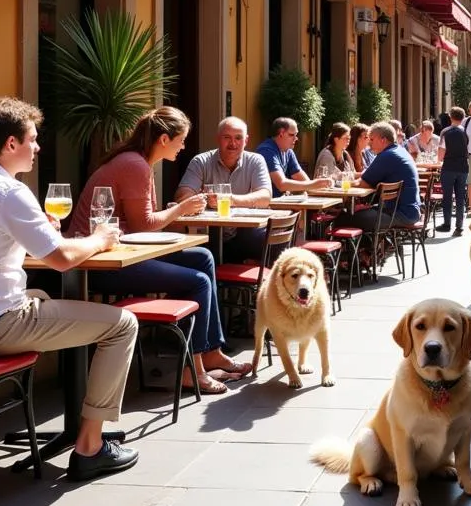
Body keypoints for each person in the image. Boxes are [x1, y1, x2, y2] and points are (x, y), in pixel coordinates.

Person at [0, 97, 140, 482]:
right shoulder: (7, 191)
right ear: (11, 144)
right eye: (33, 140)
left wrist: (37, 234)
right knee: (122, 323)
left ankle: (81, 428)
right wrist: (101, 238)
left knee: (42, 300)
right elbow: (61, 259)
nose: (38, 147)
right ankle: (90, 447)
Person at [71, 107, 252, 396]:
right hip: (101, 264)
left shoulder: (139, 162)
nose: (183, 147)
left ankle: (210, 351)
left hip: (122, 251)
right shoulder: (135, 165)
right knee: (198, 280)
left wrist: (173, 212)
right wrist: (181, 209)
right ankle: (193, 370)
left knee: (203, 257)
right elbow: (144, 224)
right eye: (181, 140)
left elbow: (140, 223)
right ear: (164, 139)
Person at [174, 116, 272, 262]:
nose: (233, 143)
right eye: (227, 137)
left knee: (274, 245)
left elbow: (265, 197)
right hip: (207, 236)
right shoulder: (201, 161)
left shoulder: (256, 161)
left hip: (243, 236)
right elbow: (181, 197)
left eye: (238, 138)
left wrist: (230, 199)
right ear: (218, 139)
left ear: (246, 140)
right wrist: (204, 200)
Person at [340, 122, 421, 232]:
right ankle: (372, 247)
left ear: (383, 140)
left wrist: (340, 184)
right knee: (358, 214)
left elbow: (363, 183)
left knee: (343, 218)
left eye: (372, 140)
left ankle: (358, 249)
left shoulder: (387, 155)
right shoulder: (399, 151)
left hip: (399, 214)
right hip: (411, 211)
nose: (369, 144)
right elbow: (367, 176)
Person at [256, 118, 333, 197]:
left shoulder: (288, 151)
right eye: (292, 135)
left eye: (296, 135)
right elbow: (281, 185)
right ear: (281, 134)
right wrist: (314, 184)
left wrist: (319, 185)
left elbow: (302, 178)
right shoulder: (266, 150)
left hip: (281, 203)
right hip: (267, 206)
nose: (296, 138)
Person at [435, 106, 469, 236]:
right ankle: (459, 226)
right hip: (463, 167)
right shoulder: (466, 131)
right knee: (460, 197)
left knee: (447, 197)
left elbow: (440, 154)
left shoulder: (445, 132)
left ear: (450, 117)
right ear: (463, 117)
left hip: (449, 167)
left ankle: (447, 223)